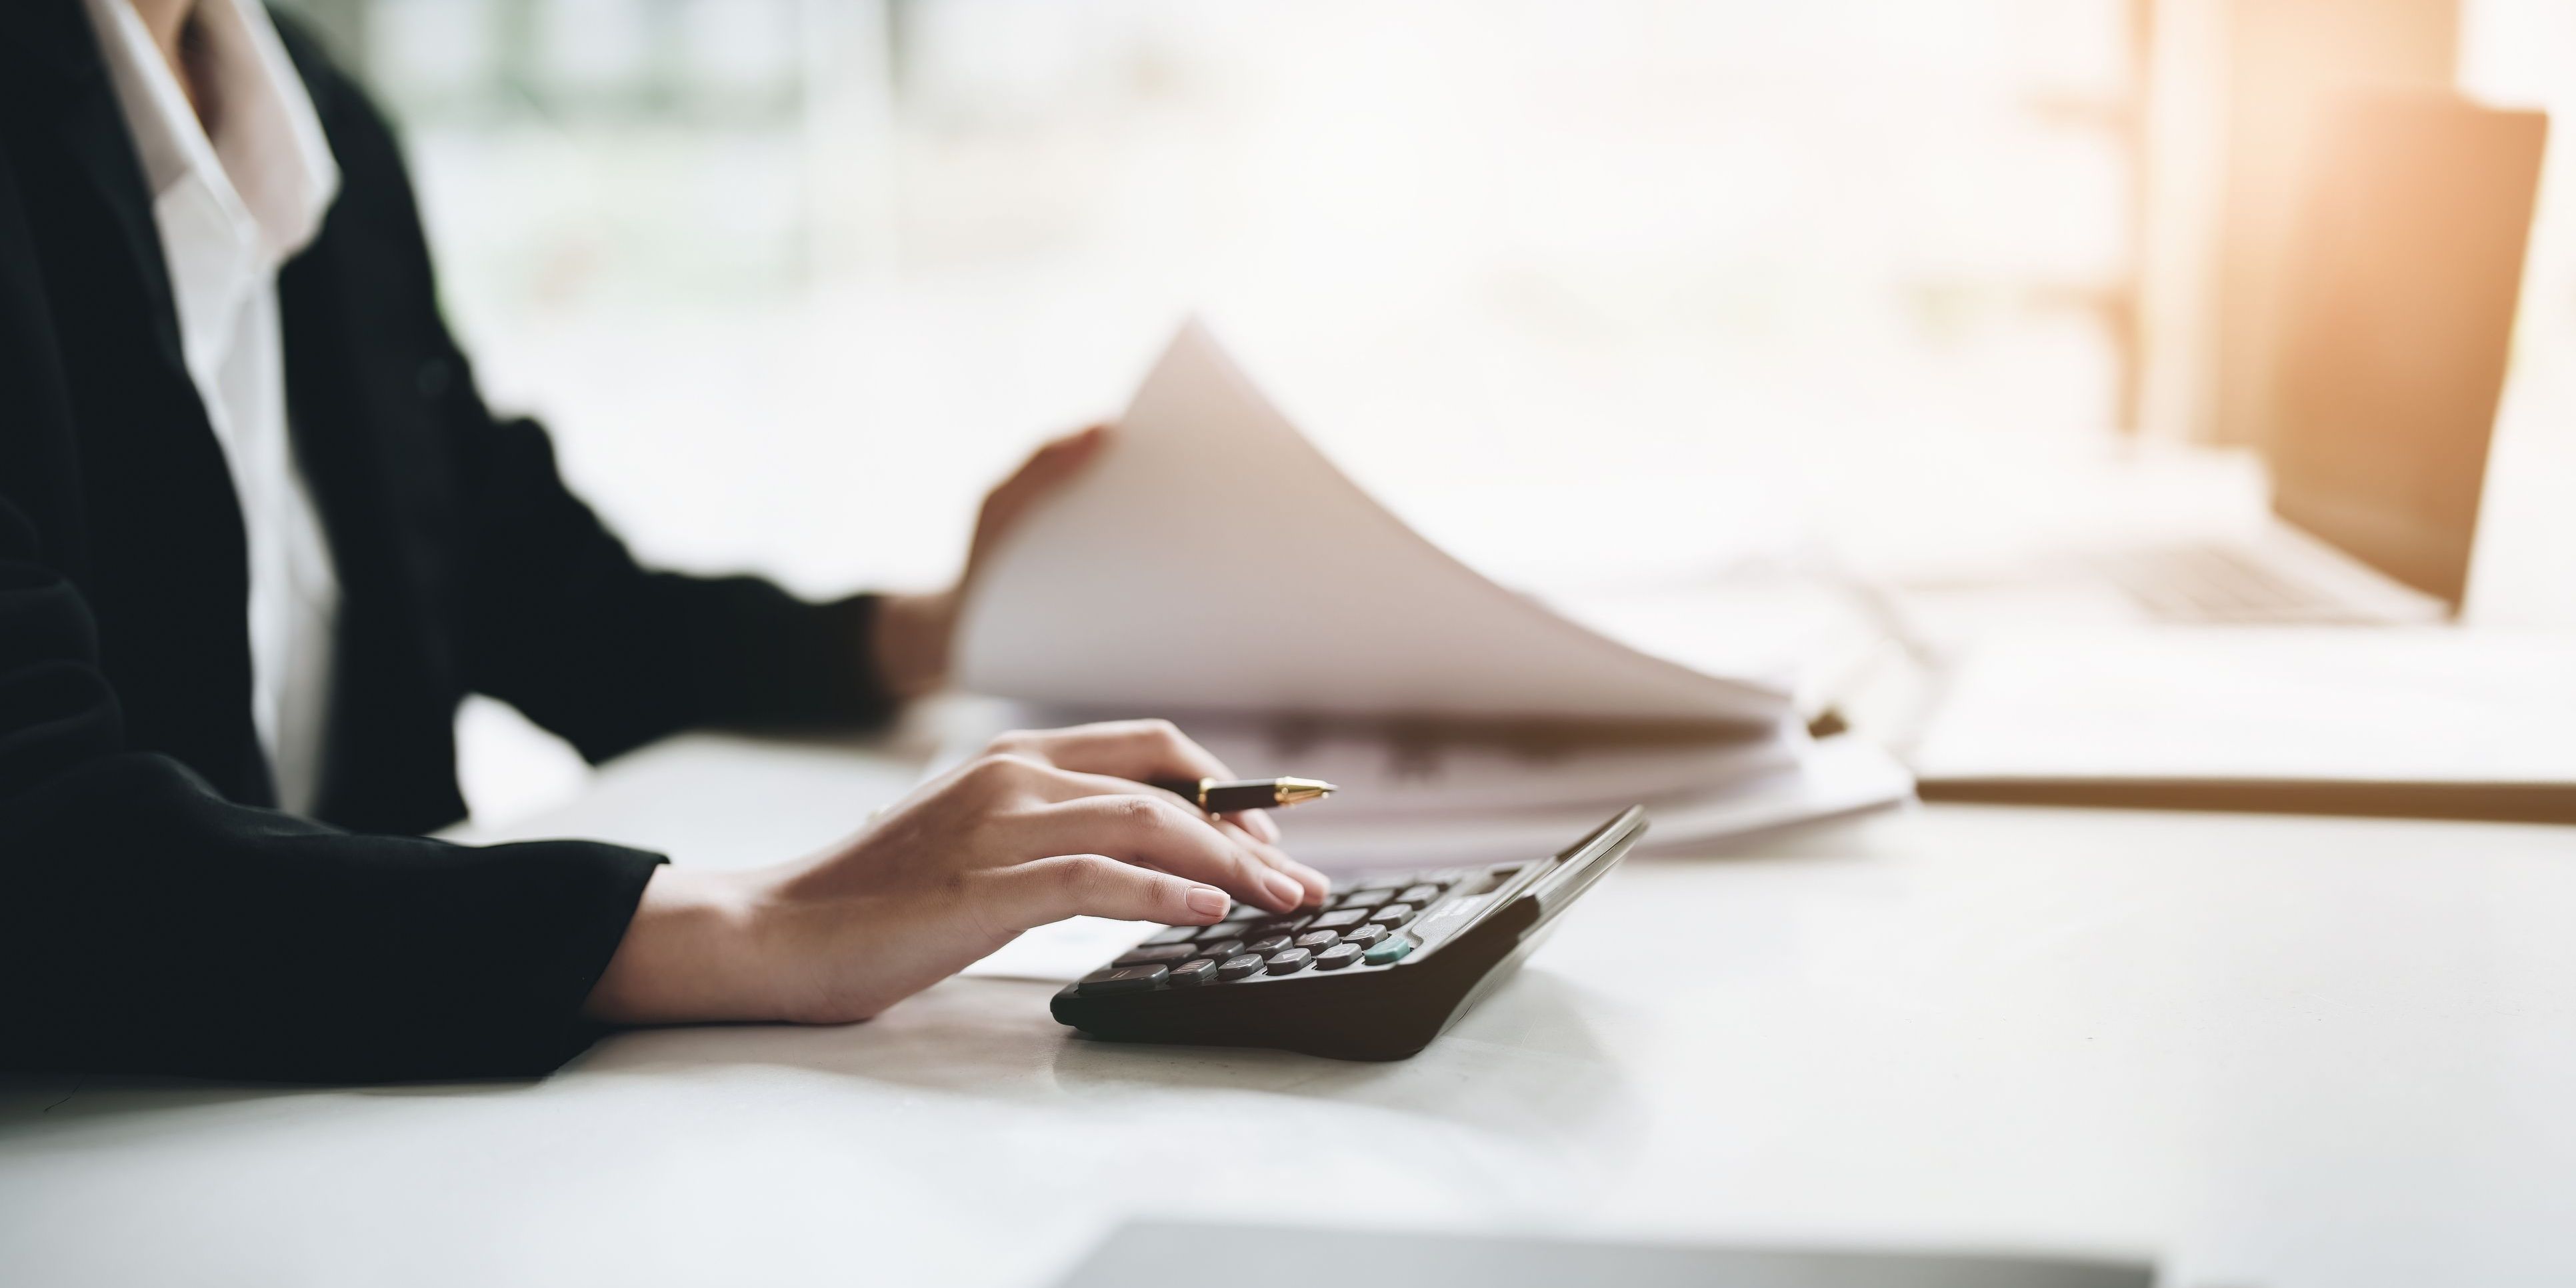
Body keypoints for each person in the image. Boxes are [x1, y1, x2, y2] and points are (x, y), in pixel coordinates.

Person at [0, 0, 1328, 1083]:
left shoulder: (307, 110)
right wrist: (760, 924)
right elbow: (44, 851)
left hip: (347, 1128)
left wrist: (925, 630)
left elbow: (537, 594)